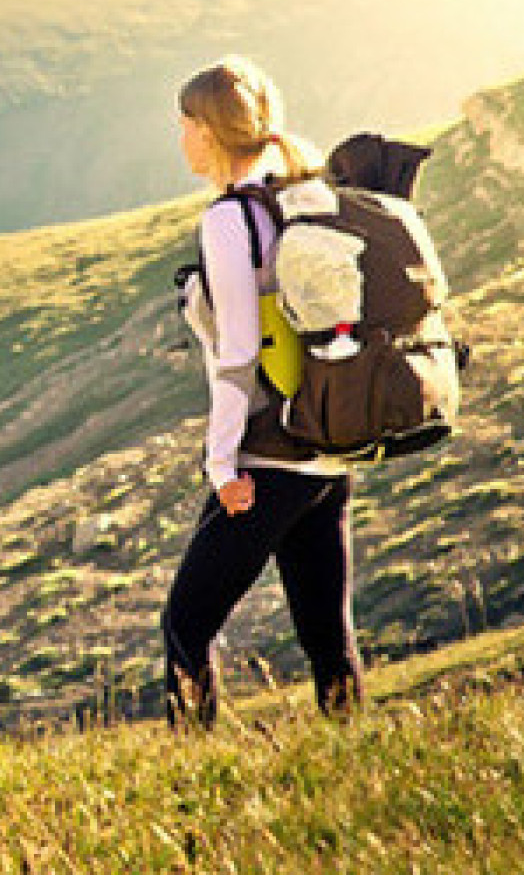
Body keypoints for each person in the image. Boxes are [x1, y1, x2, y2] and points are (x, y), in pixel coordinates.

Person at [162, 55, 363, 728]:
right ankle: (356, 754)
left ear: (210, 132)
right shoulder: (304, 196)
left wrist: (222, 467)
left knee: (187, 623)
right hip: (327, 452)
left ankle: (193, 772)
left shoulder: (230, 220)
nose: (181, 139)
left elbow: (238, 354)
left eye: (186, 125)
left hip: (268, 457)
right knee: (327, 639)